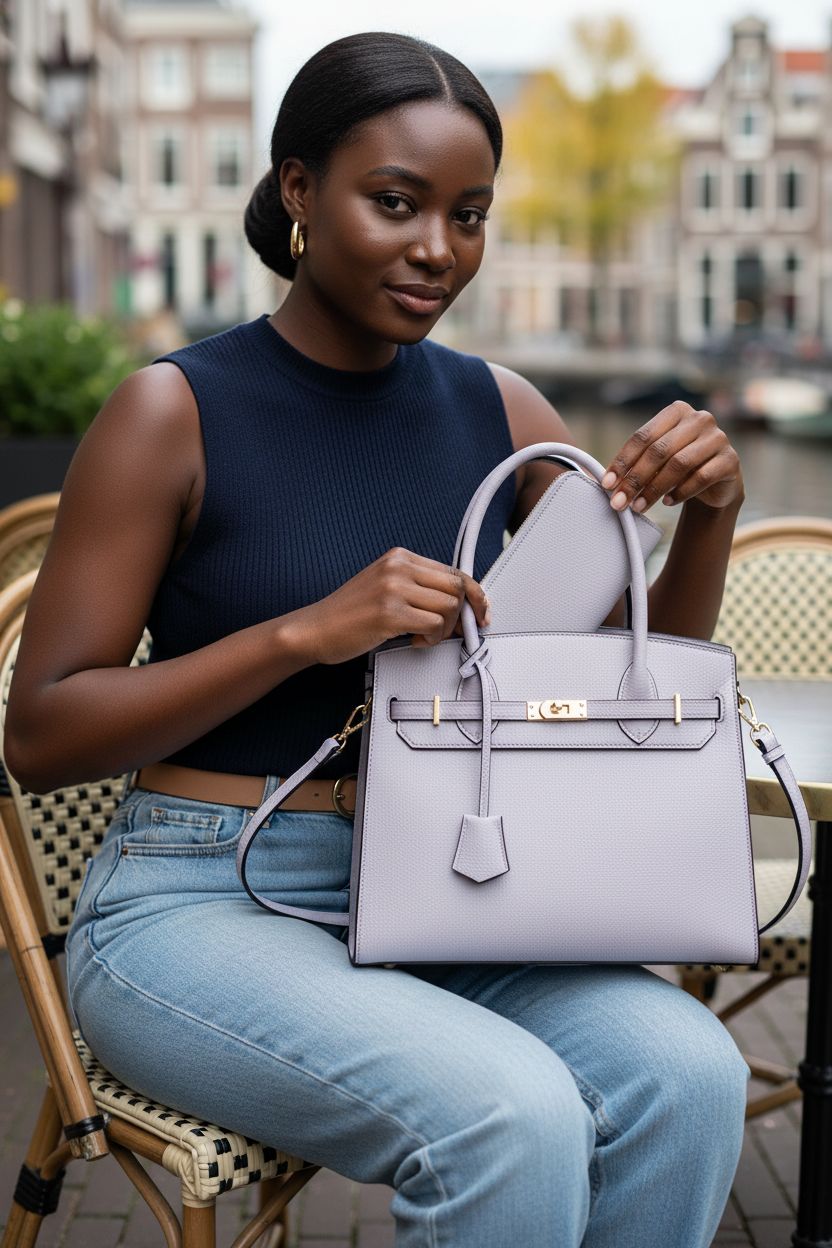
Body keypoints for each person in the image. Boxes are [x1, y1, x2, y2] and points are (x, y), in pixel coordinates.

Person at [5, 30, 750, 1248]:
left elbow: (630, 694)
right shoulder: (173, 410)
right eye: (395, 204)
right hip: (196, 904)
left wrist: (710, 519)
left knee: (690, 1072)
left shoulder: (503, 412)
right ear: (298, 189)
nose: (436, 250)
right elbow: (40, 734)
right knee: (509, 1117)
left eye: (468, 215)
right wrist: (305, 632)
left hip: (456, 888)